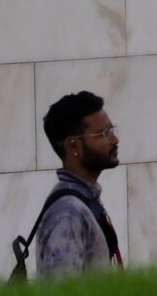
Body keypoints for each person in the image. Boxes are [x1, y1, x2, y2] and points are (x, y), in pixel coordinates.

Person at [36, 91, 123, 276]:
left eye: (112, 130)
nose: (114, 140)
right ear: (73, 146)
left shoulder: (83, 200)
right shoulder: (68, 213)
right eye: (103, 134)